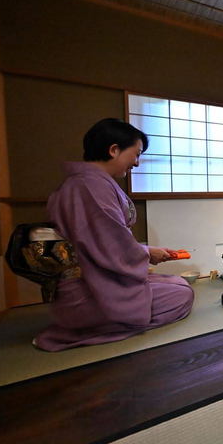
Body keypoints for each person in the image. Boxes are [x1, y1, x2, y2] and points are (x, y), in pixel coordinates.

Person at [34, 118, 194, 351]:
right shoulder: (89, 187)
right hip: (88, 289)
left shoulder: (88, 183)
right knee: (182, 297)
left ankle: (90, 321)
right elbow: (113, 247)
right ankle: (81, 328)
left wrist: (148, 252)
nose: (137, 163)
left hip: (97, 278)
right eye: (136, 154)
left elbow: (107, 241)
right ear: (114, 149)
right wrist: (147, 253)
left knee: (179, 284)